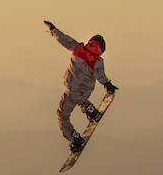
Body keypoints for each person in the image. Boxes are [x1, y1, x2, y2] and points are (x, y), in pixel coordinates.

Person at [44, 20, 118, 152]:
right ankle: (90, 110)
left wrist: (53, 30)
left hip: (72, 88)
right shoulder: (97, 61)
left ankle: (75, 138)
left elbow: (63, 39)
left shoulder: (78, 48)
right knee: (80, 99)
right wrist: (108, 85)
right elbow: (101, 76)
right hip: (85, 91)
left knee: (62, 115)